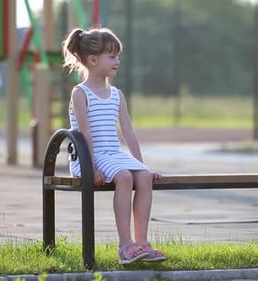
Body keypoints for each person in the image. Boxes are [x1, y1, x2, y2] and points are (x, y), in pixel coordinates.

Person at [62, 27, 166, 265]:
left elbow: (128, 131)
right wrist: (92, 168)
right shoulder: (81, 93)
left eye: (118, 56)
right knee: (124, 177)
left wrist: (142, 165)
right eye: (112, 56)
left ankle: (142, 244)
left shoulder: (116, 94)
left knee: (143, 176)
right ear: (92, 59)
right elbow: (85, 133)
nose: (117, 61)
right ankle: (125, 245)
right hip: (88, 158)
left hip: (112, 155)